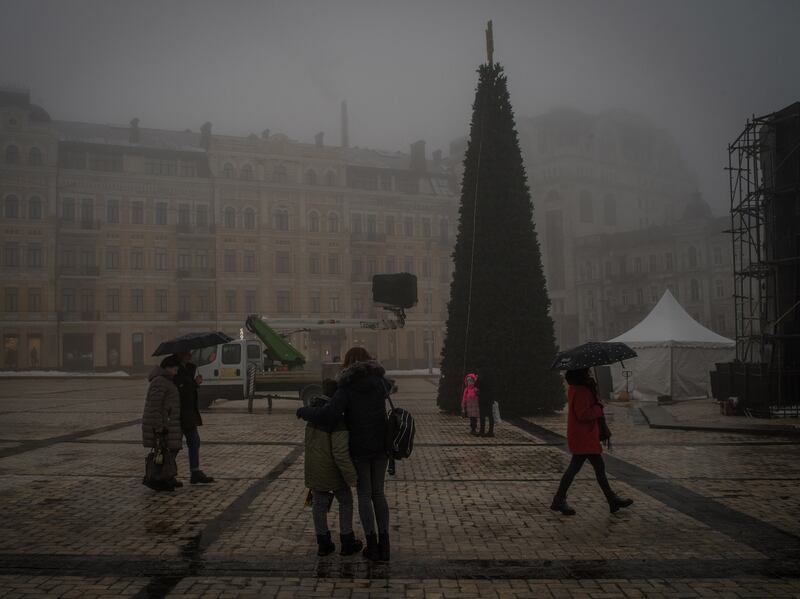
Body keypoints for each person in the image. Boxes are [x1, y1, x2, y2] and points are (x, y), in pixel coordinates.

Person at [296, 347, 393, 561]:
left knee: (365, 495)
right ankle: (385, 545)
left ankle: (372, 544)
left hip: (359, 449)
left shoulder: (347, 387)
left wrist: (305, 412)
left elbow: (329, 415)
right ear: (368, 360)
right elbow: (390, 387)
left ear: (348, 364)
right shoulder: (379, 382)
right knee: (379, 493)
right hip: (381, 447)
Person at [550, 368, 633, 516]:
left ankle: (611, 499)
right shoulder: (581, 391)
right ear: (580, 374)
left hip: (584, 436)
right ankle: (559, 499)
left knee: (595, 467)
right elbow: (583, 414)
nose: (589, 374)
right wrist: (598, 407)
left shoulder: (578, 389)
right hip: (584, 436)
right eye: (587, 372)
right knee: (577, 468)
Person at [304, 394, 363, 557]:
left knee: (318, 505)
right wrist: (351, 477)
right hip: (333, 473)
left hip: (314, 470)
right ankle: (347, 541)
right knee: (346, 501)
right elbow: (340, 453)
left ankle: (323, 544)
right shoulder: (338, 422)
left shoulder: (311, 419)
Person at [141, 355, 183, 491]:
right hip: (163, 424)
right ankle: (157, 478)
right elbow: (155, 406)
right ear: (168, 368)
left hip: (169, 422)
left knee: (170, 450)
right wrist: (159, 427)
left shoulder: (167, 380)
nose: (176, 372)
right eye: (175, 369)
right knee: (162, 452)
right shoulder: (160, 381)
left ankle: (166, 477)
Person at [174, 351, 214, 485]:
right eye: (187, 353)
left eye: (190, 353)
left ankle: (195, 471)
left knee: (194, 441)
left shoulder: (187, 369)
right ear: (180, 355)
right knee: (174, 445)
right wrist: (195, 383)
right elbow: (181, 391)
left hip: (188, 413)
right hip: (180, 413)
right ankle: (167, 473)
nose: (190, 355)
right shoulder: (176, 371)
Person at [477, 370, 495, 437]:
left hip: (483, 397)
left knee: (482, 415)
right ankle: (491, 431)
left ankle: (482, 431)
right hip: (490, 397)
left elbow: (477, 384)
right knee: (490, 415)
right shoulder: (492, 373)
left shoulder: (481, 374)